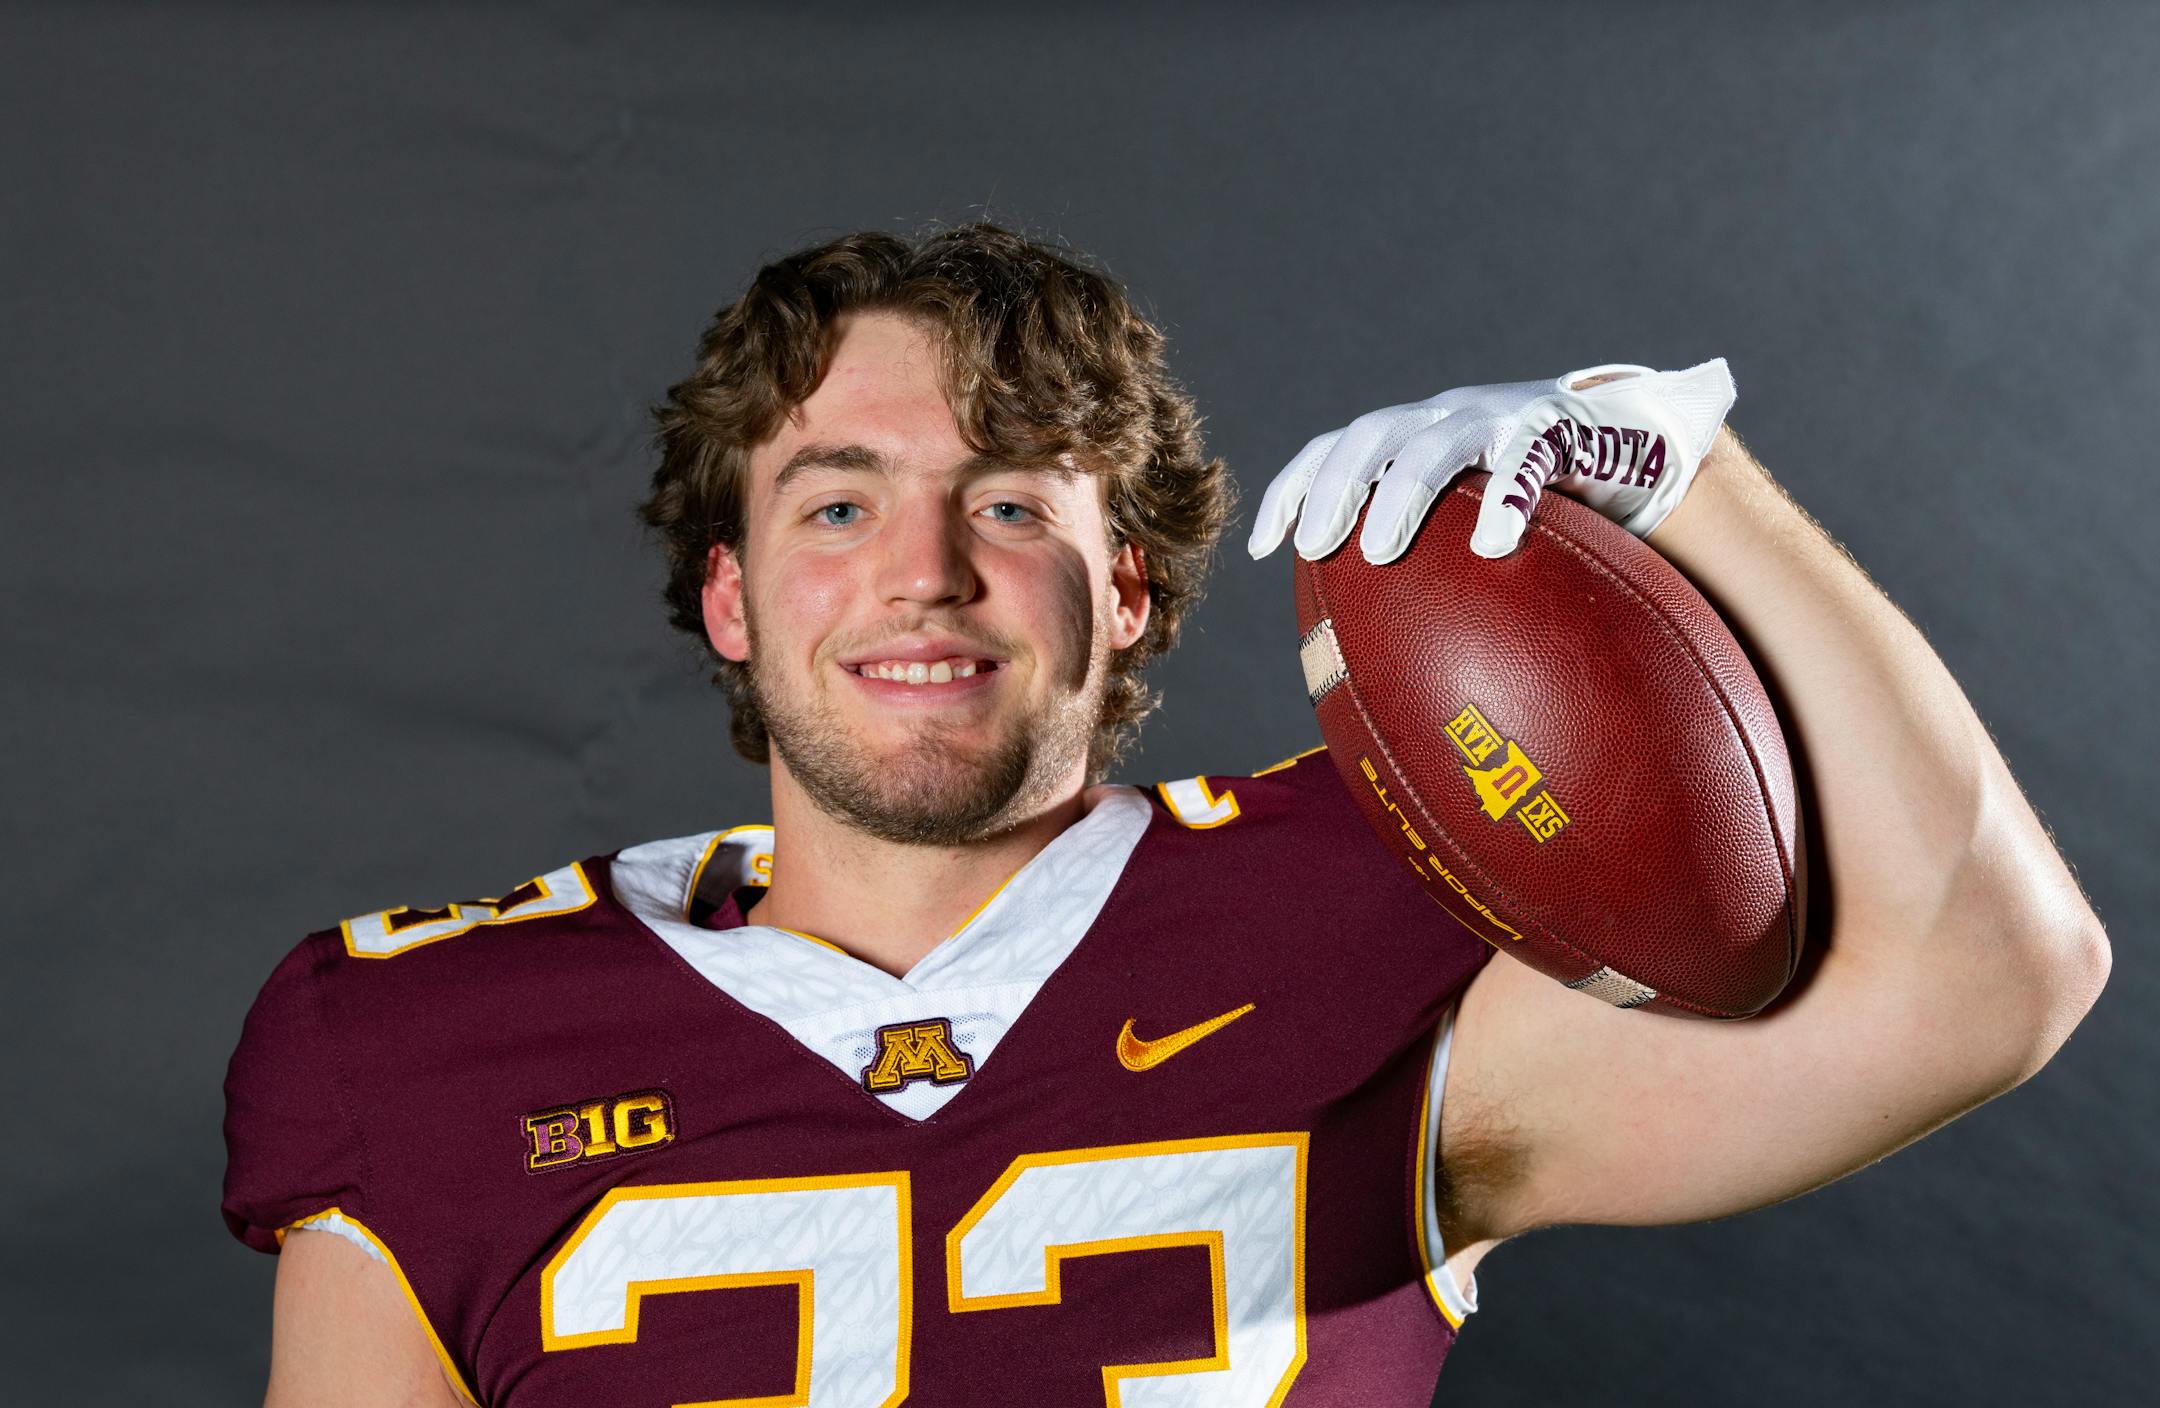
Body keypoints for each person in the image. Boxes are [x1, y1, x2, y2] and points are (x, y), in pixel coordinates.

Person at [223, 223, 2110, 1406]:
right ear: (730, 595)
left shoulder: (1380, 902)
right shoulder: (413, 1039)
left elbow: (1991, 976)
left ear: (1130, 590)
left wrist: (1685, 483)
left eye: (1016, 506)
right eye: (835, 503)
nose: (928, 575)